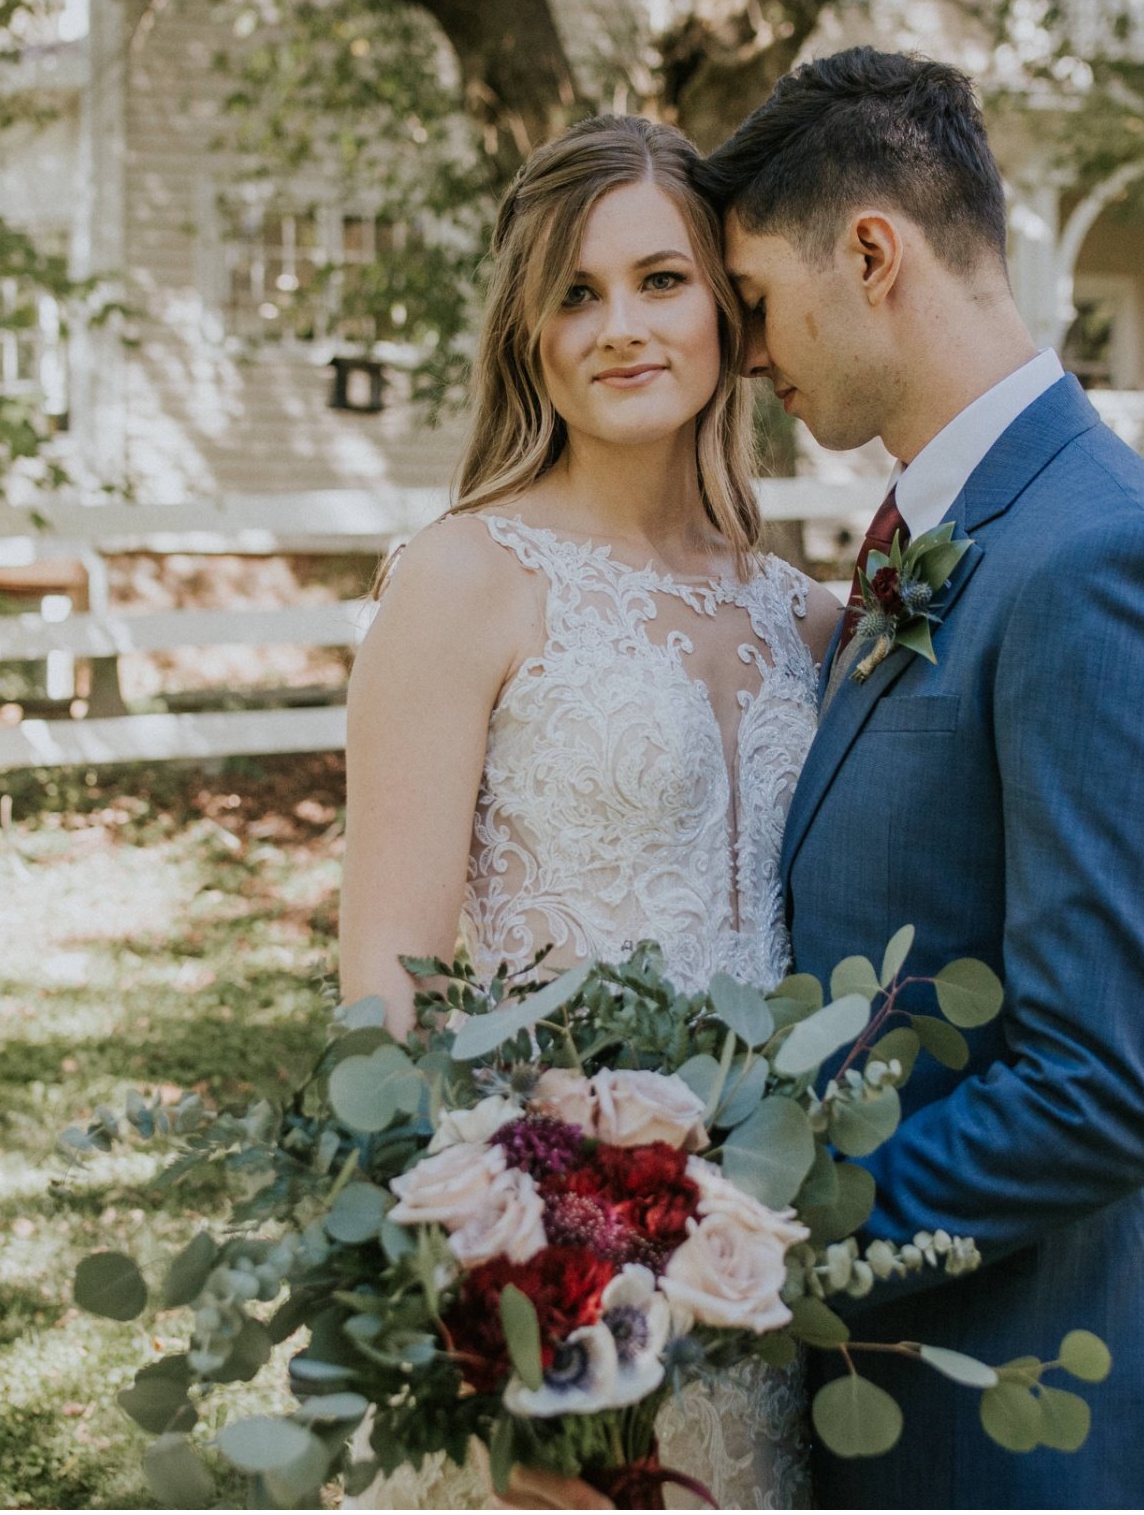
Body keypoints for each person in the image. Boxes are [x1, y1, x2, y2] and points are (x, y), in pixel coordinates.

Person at [695, 48, 1144, 1509]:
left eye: (753, 301)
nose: (748, 354)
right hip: (905, 1390)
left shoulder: (1100, 556)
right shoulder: (941, 528)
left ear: (871, 252)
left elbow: (1102, 1089)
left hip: (1035, 1412)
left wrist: (762, 1245)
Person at [339, 113, 837, 1509]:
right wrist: (487, 1322)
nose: (619, 325)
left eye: (660, 279)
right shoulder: (464, 579)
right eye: (574, 291)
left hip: (752, 1251)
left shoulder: (798, 610)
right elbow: (387, 986)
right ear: (528, 333)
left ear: (734, 315)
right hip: (545, 1271)